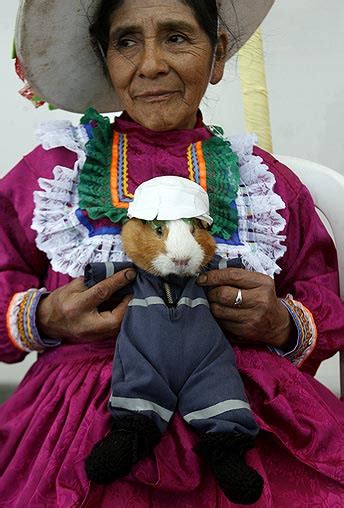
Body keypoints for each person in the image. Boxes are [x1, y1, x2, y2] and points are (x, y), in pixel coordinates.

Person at [0, 0, 343, 506]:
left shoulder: (264, 183)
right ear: (105, 57)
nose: (152, 63)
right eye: (126, 41)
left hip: (242, 411)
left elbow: (323, 299)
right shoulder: (53, 173)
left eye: (178, 37)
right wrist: (45, 315)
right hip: (79, 424)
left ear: (218, 54)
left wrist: (279, 323)